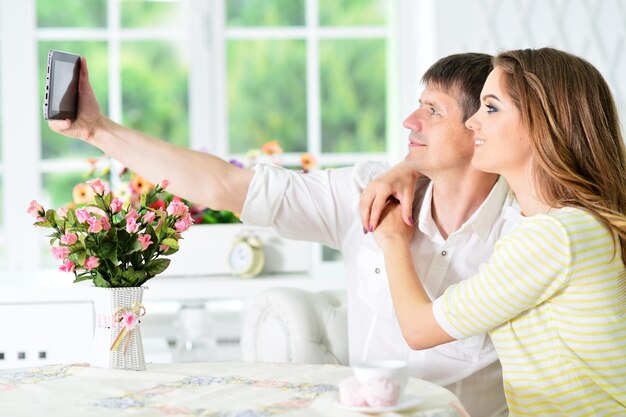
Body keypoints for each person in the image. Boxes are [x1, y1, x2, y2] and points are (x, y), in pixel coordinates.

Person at [49, 53, 515, 416]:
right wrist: (98, 131)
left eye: (432, 110)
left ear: (480, 127)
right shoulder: (366, 193)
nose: (409, 122)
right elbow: (227, 186)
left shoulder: (526, 229)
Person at [363, 47, 626, 416]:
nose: (472, 123)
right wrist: (409, 168)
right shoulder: (574, 225)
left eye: (490, 107)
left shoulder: (552, 238)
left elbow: (419, 330)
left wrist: (391, 239)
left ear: (541, 125)